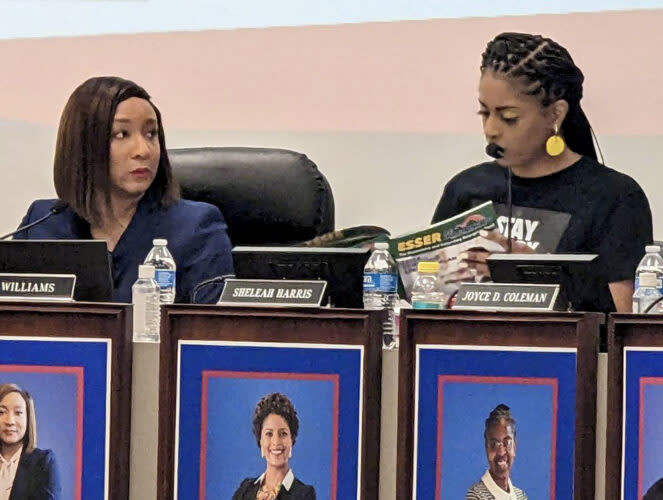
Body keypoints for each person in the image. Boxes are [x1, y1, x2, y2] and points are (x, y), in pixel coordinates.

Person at [432, 32, 653, 313]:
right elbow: (427, 294)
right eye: (484, 113)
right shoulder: (466, 188)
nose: (491, 130)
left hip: (567, 354)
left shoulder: (614, 197)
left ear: (555, 114)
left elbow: (621, 320)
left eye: (509, 117)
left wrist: (533, 270)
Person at [13, 76, 234, 304]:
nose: (143, 150)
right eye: (121, 134)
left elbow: (213, 330)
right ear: (83, 146)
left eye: (151, 134)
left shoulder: (195, 227)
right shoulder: (42, 223)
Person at [231, 393, 316, 500]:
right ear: (260, 440)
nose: (276, 442)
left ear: (292, 439)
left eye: (283, 434)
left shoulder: (304, 494)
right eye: (269, 434)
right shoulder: (245, 488)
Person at [0, 383, 61, 500]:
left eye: (18, 413)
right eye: (1, 412)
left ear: (28, 419)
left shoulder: (43, 463)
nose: (10, 421)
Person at [466, 404, 527, 500]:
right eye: (494, 444)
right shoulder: (476, 495)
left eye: (507, 442)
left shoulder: (521, 496)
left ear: (514, 446)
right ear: (486, 448)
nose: (501, 452)